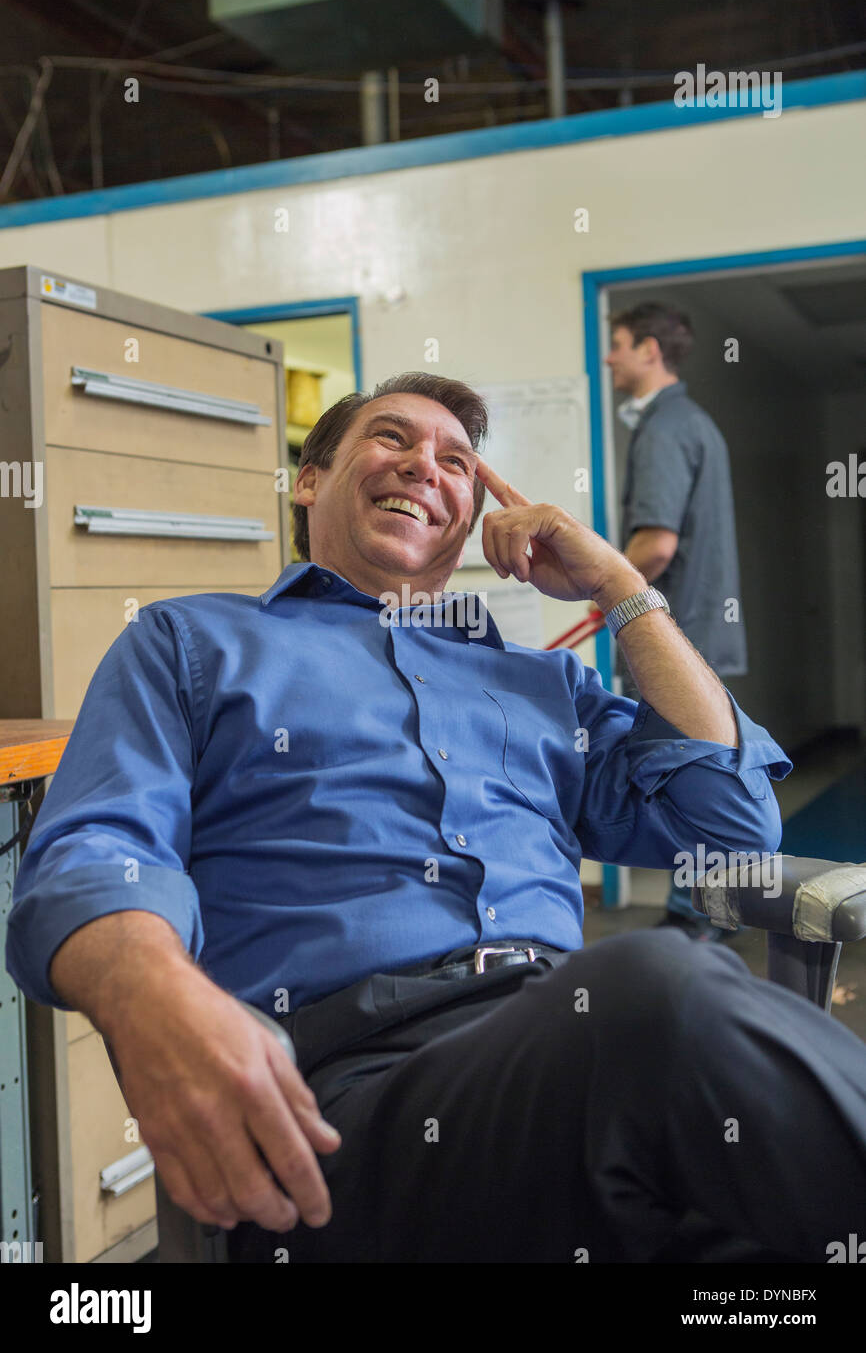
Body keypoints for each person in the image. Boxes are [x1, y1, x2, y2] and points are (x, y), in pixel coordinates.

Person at [8, 371, 866, 1264]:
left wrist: (618, 585)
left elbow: (731, 826)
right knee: (658, 982)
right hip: (349, 1105)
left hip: (573, 1078)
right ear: (310, 478)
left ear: (475, 514)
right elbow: (96, 847)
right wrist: (151, 996)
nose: (426, 466)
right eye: (391, 440)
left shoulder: (546, 686)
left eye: (457, 461)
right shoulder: (192, 645)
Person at [606, 303, 747, 942]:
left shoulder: (663, 429)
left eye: (618, 345)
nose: (609, 357)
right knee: (705, 769)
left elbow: (656, 546)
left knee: (683, 773)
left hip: (671, 633)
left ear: (649, 352)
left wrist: (601, 586)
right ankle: (710, 910)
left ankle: (697, 919)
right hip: (700, 631)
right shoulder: (699, 423)